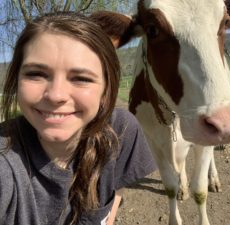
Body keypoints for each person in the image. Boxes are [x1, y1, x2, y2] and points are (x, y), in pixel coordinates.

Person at [0, 12, 156, 225]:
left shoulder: (121, 130)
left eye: (81, 78)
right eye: (36, 74)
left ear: (106, 91)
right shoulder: (6, 165)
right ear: (16, 80)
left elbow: (115, 187)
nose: (56, 95)